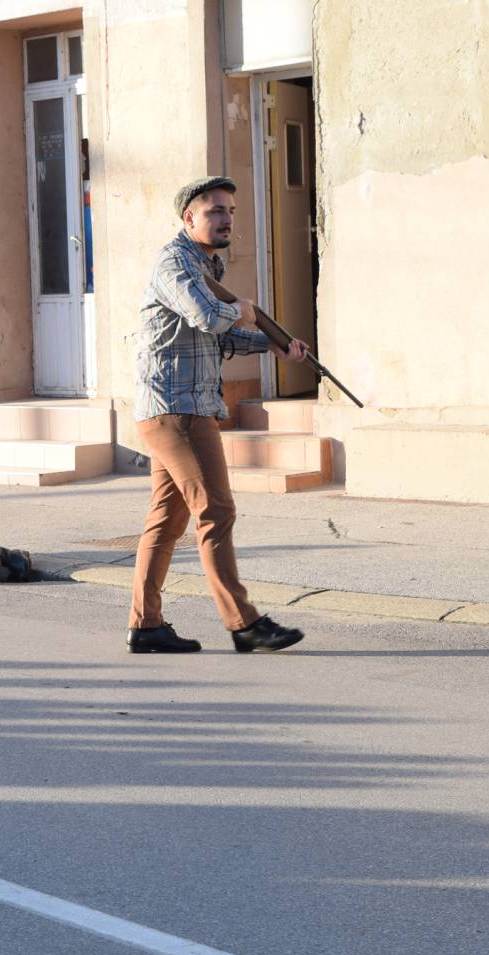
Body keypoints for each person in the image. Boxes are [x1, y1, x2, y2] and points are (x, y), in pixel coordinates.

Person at [127, 177, 310, 656]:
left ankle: (145, 626)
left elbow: (214, 338)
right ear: (189, 218)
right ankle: (244, 623)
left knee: (166, 522)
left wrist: (275, 345)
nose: (226, 219)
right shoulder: (175, 263)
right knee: (216, 510)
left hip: (182, 407)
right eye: (214, 212)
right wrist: (246, 311)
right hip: (178, 409)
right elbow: (209, 317)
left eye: (229, 210)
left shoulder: (204, 264)